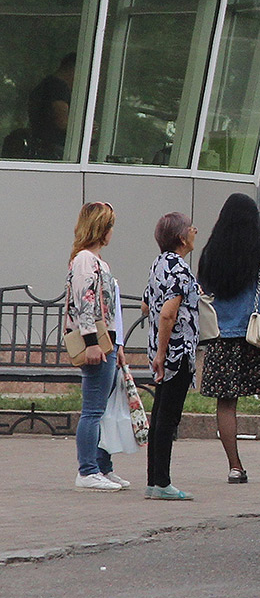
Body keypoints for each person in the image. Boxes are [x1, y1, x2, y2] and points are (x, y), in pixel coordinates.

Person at [195, 193, 260, 484]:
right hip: (258, 338)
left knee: (227, 403)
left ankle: (235, 468)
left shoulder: (211, 251)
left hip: (221, 338)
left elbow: (204, 287)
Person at [65, 201, 131, 492]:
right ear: (101, 229)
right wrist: (93, 343)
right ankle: (88, 469)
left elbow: (108, 307)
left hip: (108, 343)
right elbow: (85, 305)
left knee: (102, 409)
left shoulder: (97, 262)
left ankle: (102, 467)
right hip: (98, 344)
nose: (113, 233)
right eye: (110, 227)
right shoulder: (85, 261)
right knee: (93, 410)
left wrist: (118, 345)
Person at [140, 212, 201, 500]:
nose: (195, 231)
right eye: (190, 228)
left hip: (160, 350)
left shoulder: (159, 264)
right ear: (181, 237)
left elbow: (146, 305)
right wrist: (164, 354)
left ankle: (154, 480)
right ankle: (163, 482)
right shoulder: (180, 270)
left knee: (159, 415)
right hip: (176, 354)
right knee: (168, 418)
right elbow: (168, 313)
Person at [27, 52, 74, 160]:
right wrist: (84, 128)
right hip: (52, 150)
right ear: (73, 69)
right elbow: (62, 120)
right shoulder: (58, 87)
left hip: (39, 144)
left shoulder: (45, 84)